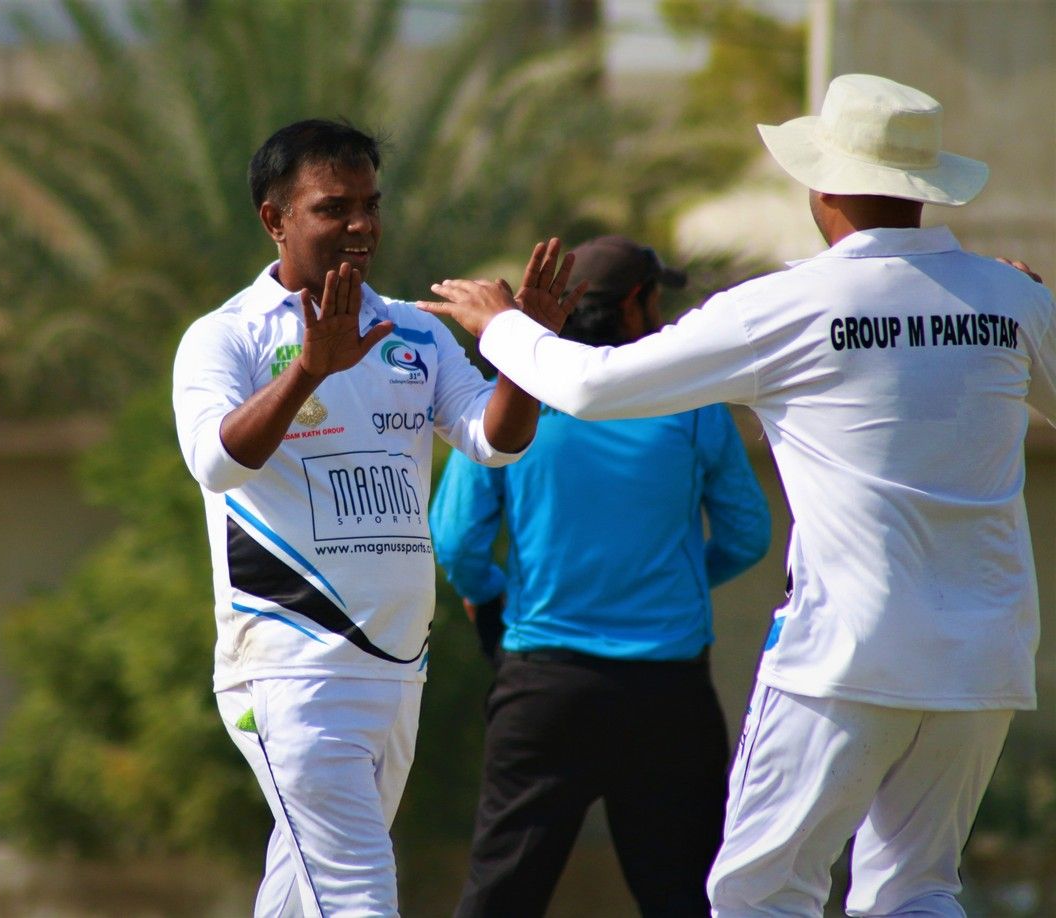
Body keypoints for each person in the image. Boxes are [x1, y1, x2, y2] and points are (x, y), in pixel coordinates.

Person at [420, 74, 1056, 916]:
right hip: (986, 651)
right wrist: (1031, 305)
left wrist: (502, 325)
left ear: (823, 188)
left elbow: (592, 386)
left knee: (759, 894)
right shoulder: (1010, 298)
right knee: (918, 887)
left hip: (842, 655)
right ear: (925, 187)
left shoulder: (784, 305)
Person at [171, 119, 582, 918]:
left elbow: (494, 440)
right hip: (292, 667)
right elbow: (216, 462)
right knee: (359, 894)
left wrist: (523, 350)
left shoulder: (414, 329)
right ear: (275, 219)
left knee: (303, 895)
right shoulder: (226, 336)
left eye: (371, 205)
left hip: (396, 665)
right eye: (334, 208)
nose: (361, 225)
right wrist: (307, 372)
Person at [428, 235, 772, 917]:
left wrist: (490, 599)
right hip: (669, 696)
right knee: (686, 900)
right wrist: (672, 586)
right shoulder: (691, 403)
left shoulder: (514, 399)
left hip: (544, 690)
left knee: (499, 900)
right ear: (635, 304)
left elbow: (458, 539)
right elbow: (747, 535)